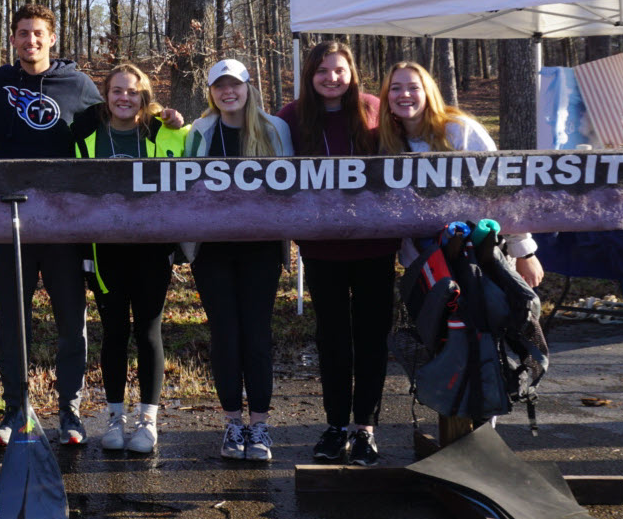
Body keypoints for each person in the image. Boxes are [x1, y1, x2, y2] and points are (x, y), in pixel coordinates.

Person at [277, 40, 399, 466]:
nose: (331, 78)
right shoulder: (290, 118)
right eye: (322, 71)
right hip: (321, 247)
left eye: (339, 70)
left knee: (371, 337)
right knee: (332, 339)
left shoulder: (373, 108)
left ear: (352, 73)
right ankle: (334, 425)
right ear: (310, 75)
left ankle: (365, 427)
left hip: (376, 246)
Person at [71, 64, 187, 454]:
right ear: (105, 95)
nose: (124, 98)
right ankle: (115, 418)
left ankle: (148, 421)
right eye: (117, 91)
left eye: (132, 92)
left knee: (148, 332)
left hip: (152, 248)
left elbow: (192, 154)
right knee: (115, 332)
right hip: (106, 250)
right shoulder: (86, 133)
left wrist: (176, 118)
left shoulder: (163, 130)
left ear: (144, 96)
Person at [183, 59, 292, 462]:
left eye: (235, 85)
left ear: (249, 87)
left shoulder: (274, 129)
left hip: (260, 247)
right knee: (225, 334)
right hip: (212, 249)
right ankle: (232, 424)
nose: (228, 92)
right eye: (219, 86)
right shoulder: (202, 130)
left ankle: (259, 425)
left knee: (256, 334)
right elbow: (186, 184)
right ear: (211, 92)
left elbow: (292, 186)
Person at [377, 60, 543, 286]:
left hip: (477, 257)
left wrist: (524, 252)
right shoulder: (388, 141)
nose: (404, 94)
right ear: (387, 96)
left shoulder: (460, 130)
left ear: (428, 92)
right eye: (395, 88)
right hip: (424, 261)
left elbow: (502, 190)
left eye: (414, 87)